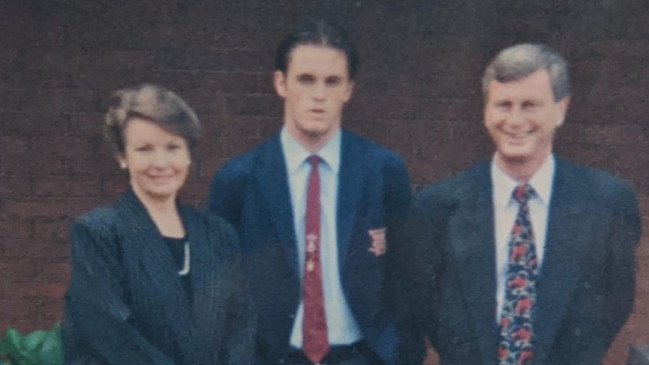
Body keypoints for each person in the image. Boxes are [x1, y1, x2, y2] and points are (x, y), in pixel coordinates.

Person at [395, 43, 642, 365]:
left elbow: (614, 304)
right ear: (486, 111)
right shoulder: (438, 207)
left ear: (560, 109)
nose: (514, 120)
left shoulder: (607, 202)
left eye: (529, 105)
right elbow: (425, 307)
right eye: (503, 105)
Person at [208, 21, 411, 365]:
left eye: (332, 82)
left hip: (360, 355)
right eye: (306, 79)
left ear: (349, 89)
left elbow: (407, 274)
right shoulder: (238, 178)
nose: (319, 95)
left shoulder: (382, 169)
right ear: (280, 83)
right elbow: (217, 289)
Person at [64, 84, 255, 364]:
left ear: (188, 154)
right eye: (144, 149)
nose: (161, 162)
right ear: (121, 157)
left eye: (172, 147)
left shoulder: (219, 235)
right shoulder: (99, 233)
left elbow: (240, 329)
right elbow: (113, 337)